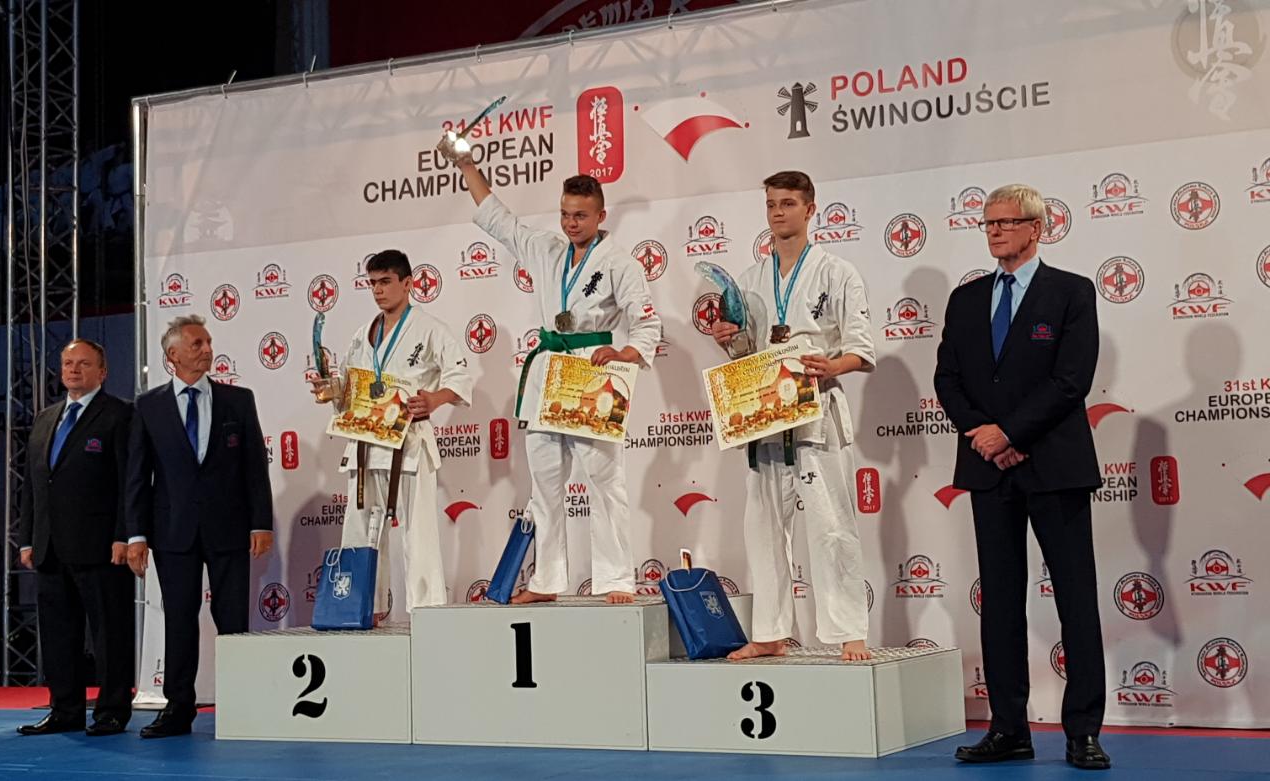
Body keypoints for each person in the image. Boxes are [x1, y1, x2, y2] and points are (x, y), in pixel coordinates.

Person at [933, 184, 1109, 770]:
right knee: (1002, 602)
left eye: (1007, 223)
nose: (995, 232)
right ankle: (1009, 728)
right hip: (989, 470)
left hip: (1055, 467)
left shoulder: (1071, 292)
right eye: (988, 223)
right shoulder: (966, 300)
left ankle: (1083, 731)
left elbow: (1071, 380)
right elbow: (948, 380)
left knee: (1075, 599)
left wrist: (1009, 434)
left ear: (1037, 228)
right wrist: (985, 435)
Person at [448, 149, 661, 604]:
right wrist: (468, 167)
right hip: (549, 373)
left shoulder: (620, 262)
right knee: (544, 483)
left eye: (580, 215)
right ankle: (546, 580)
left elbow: (646, 323)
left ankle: (616, 578)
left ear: (601, 215)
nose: (571, 223)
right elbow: (499, 219)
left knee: (604, 480)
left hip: (593, 375)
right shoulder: (546, 250)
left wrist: (625, 352)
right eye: (565, 214)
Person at [711, 171, 876, 662]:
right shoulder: (749, 280)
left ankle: (849, 631)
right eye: (771, 204)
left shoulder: (838, 273)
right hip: (765, 414)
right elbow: (744, 352)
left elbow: (861, 350)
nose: (778, 212)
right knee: (762, 527)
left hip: (815, 410)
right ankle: (769, 631)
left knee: (832, 525)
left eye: (787, 203)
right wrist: (728, 339)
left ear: (810, 209)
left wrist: (833, 366)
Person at [125, 314, 274, 738]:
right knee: (178, 619)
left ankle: (240, 705)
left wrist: (260, 522)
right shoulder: (148, 406)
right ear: (172, 355)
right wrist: (136, 534)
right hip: (172, 532)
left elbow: (254, 468)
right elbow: (137, 475)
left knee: (233, 620)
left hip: (230, 528)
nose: (207, 349)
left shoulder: (238, 400)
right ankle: (177, 708)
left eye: (208, 342)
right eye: (196, 344)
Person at [310, 249, 472, 620]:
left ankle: (426, 612)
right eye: (372, 283)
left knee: (419, 532)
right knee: (360, 528)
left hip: (409, 443)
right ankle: (363, 607)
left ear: (408, 283)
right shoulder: (362, 335)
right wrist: (332, 390)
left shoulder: (430, 329)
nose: (378, 290)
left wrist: (434, 399)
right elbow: (349, 386)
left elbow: (459, 377)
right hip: (366, 442)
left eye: (385, 282)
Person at [17, 339, 135, 736]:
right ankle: (65, 710)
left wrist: (124, 535)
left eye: (83, 363)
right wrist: (28, 539)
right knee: (58, 635)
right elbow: (33, 485)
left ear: (102, 372)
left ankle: (112, 711)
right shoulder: (45, 418)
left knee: (109, 634)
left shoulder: (119, 414)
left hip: (102, 547)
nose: (73, 370)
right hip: (50, 547)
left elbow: (129, 482)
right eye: (68, 363)